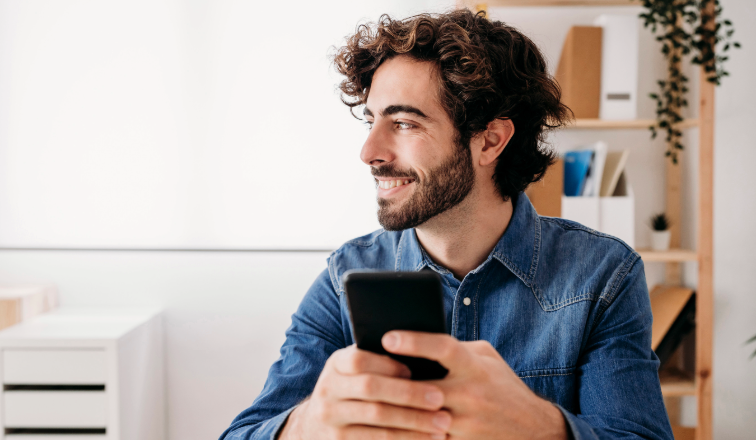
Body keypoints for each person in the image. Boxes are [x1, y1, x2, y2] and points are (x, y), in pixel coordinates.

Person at [221, 9, 673, 440]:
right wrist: (309, 425)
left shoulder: (602, 276)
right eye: (371, 119)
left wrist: (539, 427)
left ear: (490, 141)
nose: (370, 151)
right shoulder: (346, 278)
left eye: (403, 123)